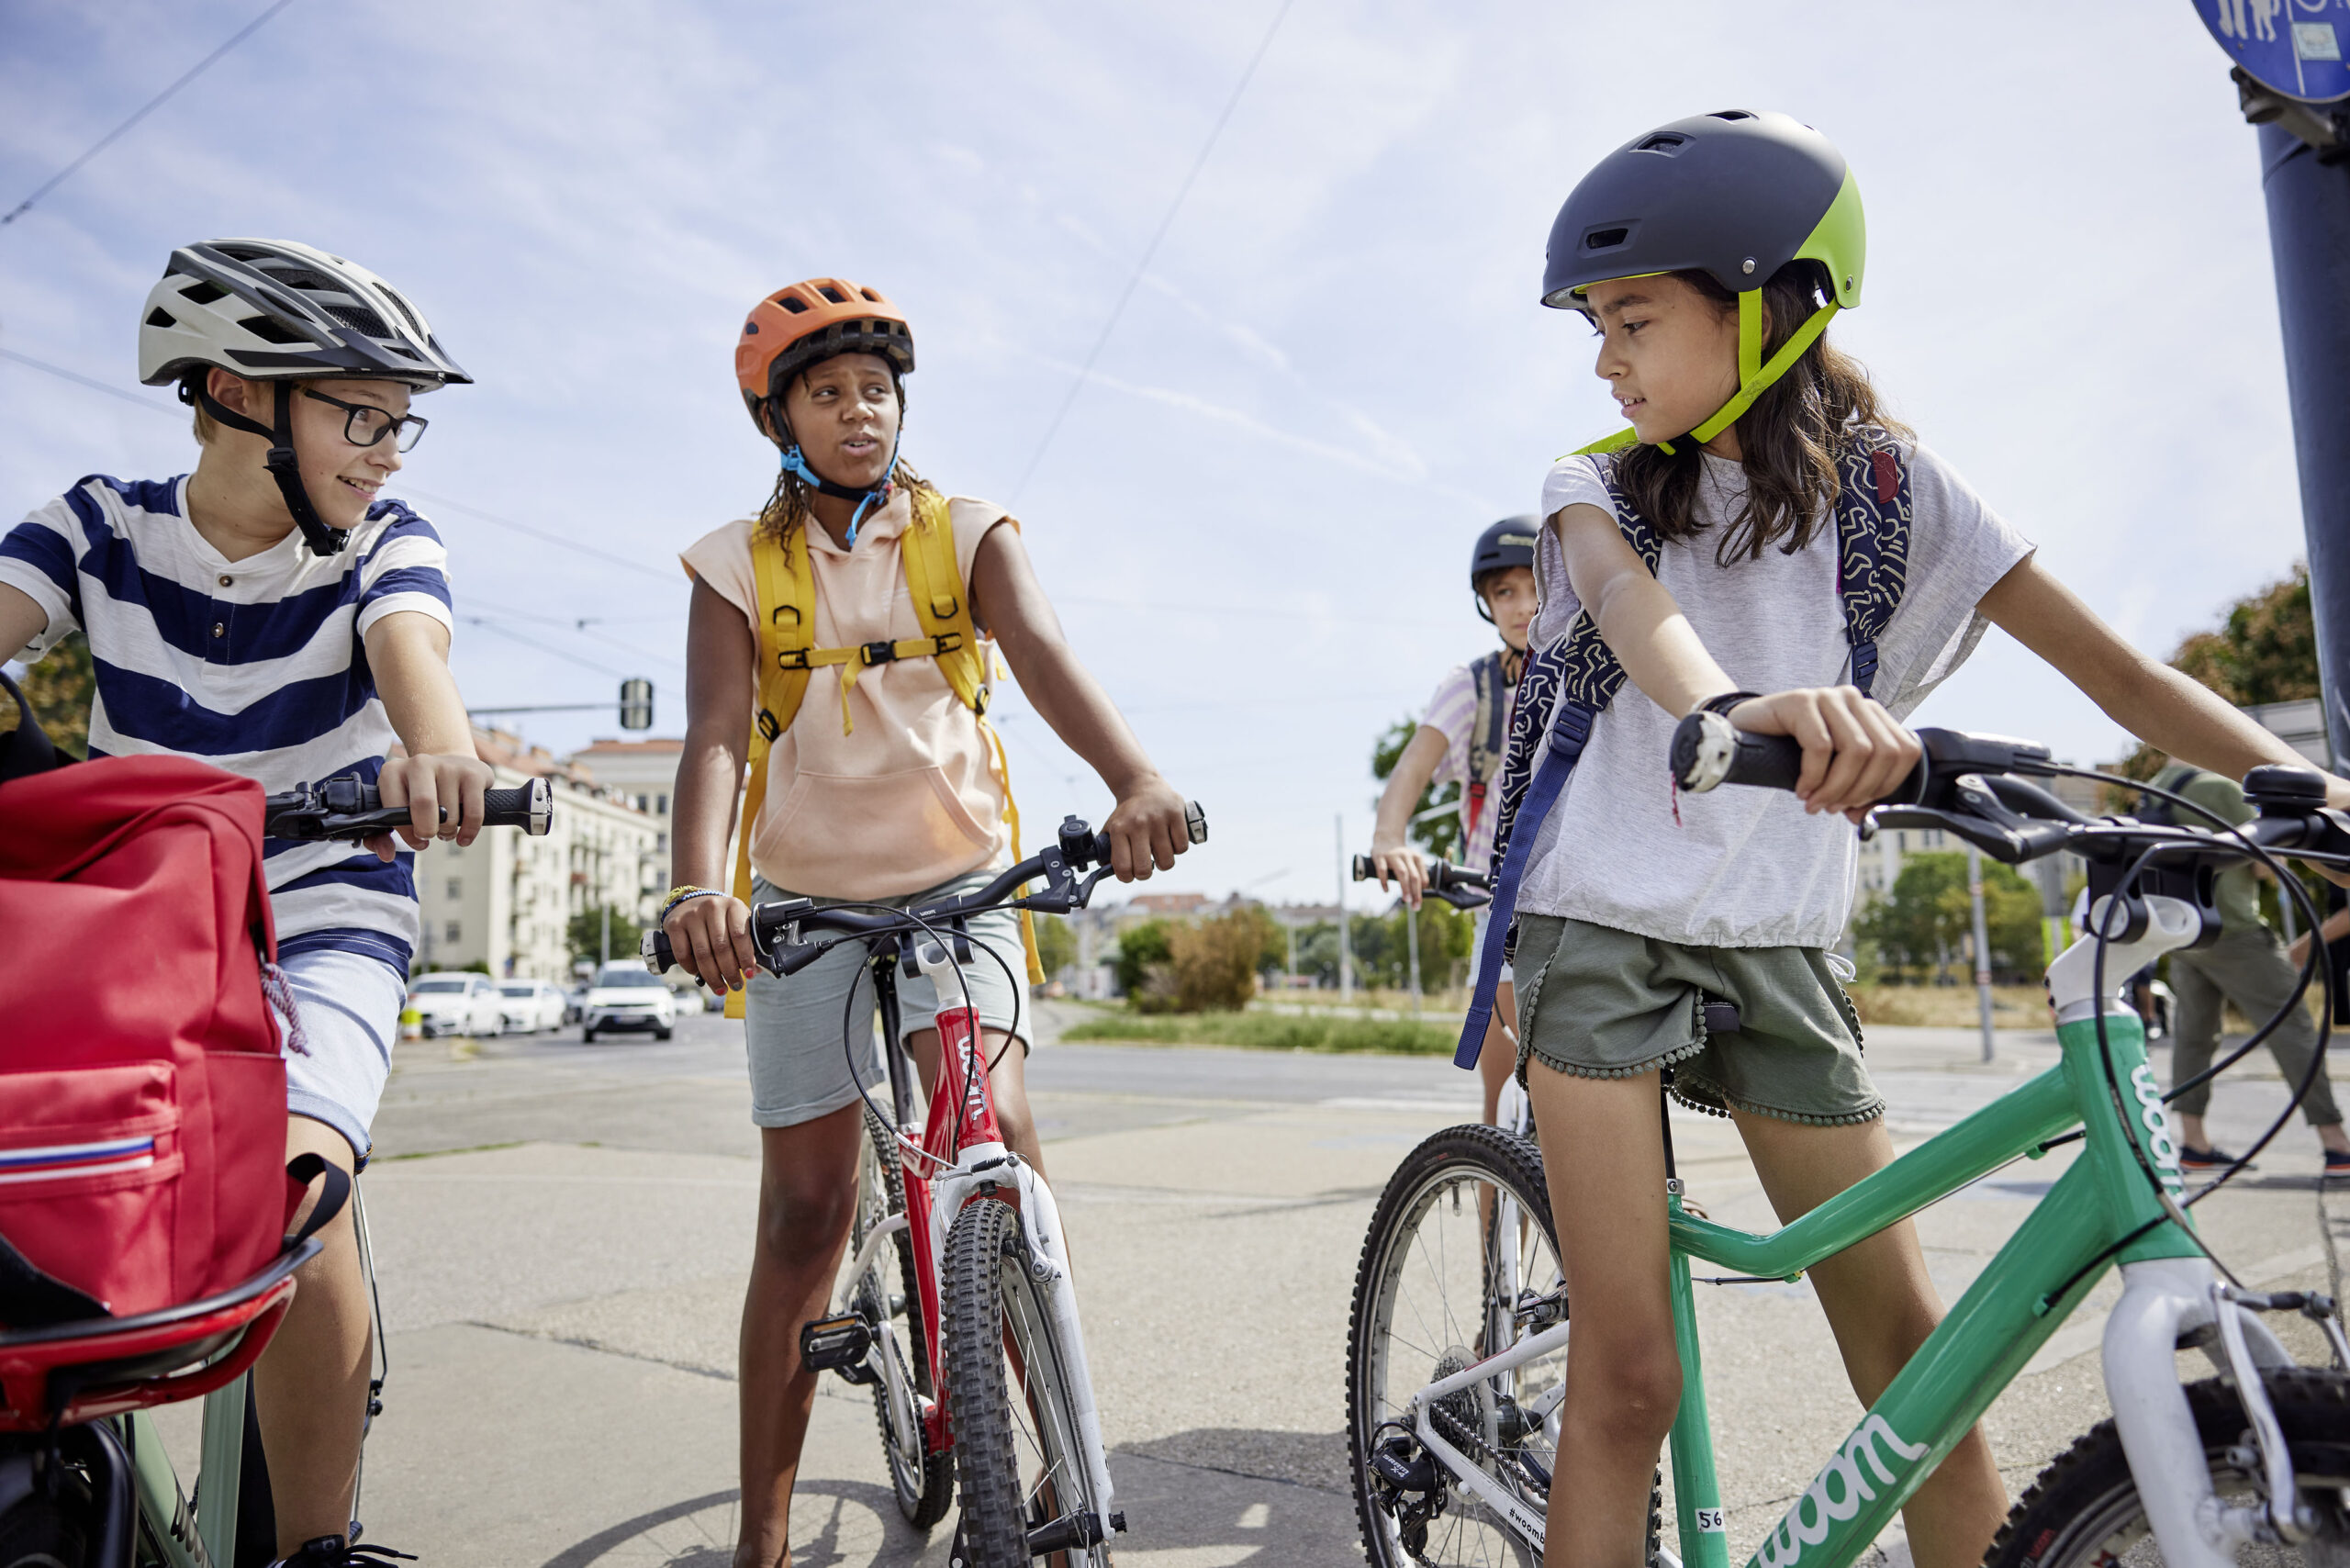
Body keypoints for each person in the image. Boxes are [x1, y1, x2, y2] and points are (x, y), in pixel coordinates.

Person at [1489, 112, 2350, 1566]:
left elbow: (2125, 678)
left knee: (1919, 1373)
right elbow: (1647, 626)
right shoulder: (1593, 489)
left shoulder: (1895, 493)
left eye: (1633, 317)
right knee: (1629, 1376)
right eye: (1595, 323)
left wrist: (2314, 795)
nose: (1603, 357)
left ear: (1768, 307)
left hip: (1780, 939)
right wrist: (1748, 706)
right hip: (1605, 928)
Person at [658, 277, 1193, 1568]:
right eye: (830, 394)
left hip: (962, 888)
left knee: (1002, 1137)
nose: (860, 413)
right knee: (805, 1208)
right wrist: (696, 886)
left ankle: (1060, 1463)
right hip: (803, 908)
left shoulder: (968, 531)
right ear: (780, 420)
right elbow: (717, 738)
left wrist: (1136, 780)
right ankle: (765, 1534)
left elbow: (1052, 658)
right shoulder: (736, 563)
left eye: (877, 391)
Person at [0, 240, 484, 1568]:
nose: (389, 451)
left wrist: (437, 750)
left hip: (326, 890)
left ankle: (314, 1548)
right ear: (235, 392)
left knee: (296, 1185)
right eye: (359, 414)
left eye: (401, 423)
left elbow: (410, 650)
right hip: (133, 910)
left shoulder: (383, 541)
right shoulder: (101, 522)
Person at [1368, 516, 1537, 1124]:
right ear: (1487, 604)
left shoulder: (1589, 672)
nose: (1523, 607)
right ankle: (1494, 1217)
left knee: (1610, 1102)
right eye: (1504, 593)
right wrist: (1390, 838)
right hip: (1505, 920)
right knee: (1502, 1118)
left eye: (1536, 585)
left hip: (1593, 908)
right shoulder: (1474, 688)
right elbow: (1413, 769)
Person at [2143, 760, 2350, 1170]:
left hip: (2183, 931)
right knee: (2292, 1028)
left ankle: (2194, 1144)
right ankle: (2337, 1144)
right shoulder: (2219, 786)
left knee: (2194, 1036)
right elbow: (2263, 860)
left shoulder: (2156, 786)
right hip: (2235, 930)